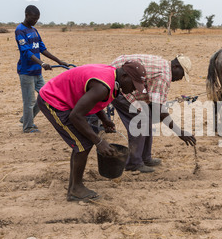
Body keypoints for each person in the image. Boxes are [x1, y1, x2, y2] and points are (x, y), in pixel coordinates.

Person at [37, 62, 148, 202]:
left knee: (82, 143)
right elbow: (76, 116)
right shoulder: (103, 86)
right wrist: (99, 142)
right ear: (125, 76)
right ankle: (76, 189)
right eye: (133, 85)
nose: (133, 90)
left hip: (65, 99)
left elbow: (91, 100)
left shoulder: (113, 77)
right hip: (53, 100)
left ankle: (74, 186)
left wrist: (104, 119)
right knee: (83, 143)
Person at [110, 54, 197, 173]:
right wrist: (179, 132)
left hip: (123, 73)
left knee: (147, 116)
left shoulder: (164, 66)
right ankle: (134, 163)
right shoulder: (164, 76)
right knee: (140, 120)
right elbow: (158, 109)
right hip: (120, 82)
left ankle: (145, 158)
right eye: (182, 75)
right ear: (176, 67)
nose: (180, 79)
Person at [15, 5, 68, 133]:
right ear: (27, 15)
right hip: (26, 72)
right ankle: (27, 127)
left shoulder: (34, 30)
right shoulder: (20, 30)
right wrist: (42, 63)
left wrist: (58, 61)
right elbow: (26, 51)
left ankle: (26, 118)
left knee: (45, 97)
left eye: (37, 19)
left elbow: (42, 48)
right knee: (29, 101)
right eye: (33, 18)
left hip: (37, 72)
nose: (35, 21)